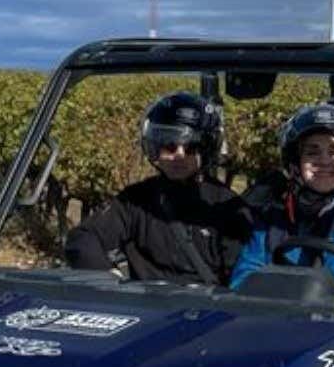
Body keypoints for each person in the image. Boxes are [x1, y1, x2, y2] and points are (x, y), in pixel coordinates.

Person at [66, 92, 253, 285]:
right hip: (147, 302)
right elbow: (83, 239)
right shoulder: (136, 200)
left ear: (206, 151)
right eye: (170, 146)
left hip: (208, 302)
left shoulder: (228, 206)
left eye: (191, 147)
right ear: (154, 147)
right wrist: (107, 277)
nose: (179, 155)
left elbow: (244, 276)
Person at [230, 104, 334, 288]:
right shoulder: (274, 217)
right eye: (312, 152)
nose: (324, 161)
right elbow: (243, 279)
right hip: (267, 305)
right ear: (295, 164)